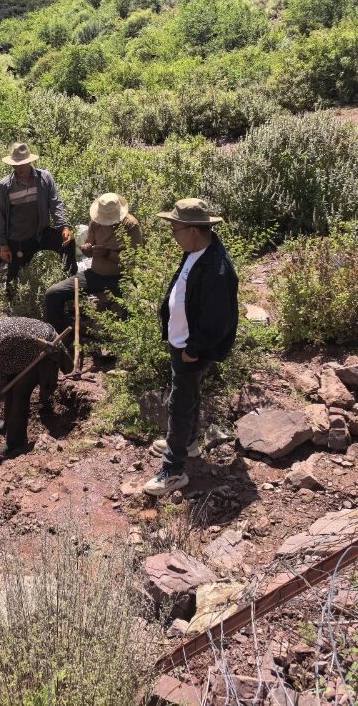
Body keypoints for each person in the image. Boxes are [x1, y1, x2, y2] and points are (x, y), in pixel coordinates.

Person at [144, 199, 239, 497]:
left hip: (191, 346)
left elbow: (217, 319)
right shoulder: (197, 252)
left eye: (175, 229)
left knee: (180, 403)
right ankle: (189, 442)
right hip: (182, 341)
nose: (173, 235)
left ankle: (173, 470)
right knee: (188, 394)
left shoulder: (217, 268)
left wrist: (194, 348)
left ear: (194, 231)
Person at [0, 315, 73, 458]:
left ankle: (16, 443)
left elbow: (23, 337)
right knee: (9, 386)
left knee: (20, 391)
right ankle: (8, 424)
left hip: (44, 350)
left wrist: (45, 344)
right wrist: (2, 384)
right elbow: (6, 362)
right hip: (28, 351)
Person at [44, 193, 143, 335]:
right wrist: (87, 249)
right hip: (95, 275)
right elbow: (89, 247)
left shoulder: (130, 225)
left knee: (131, 310)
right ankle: (60, 337)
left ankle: (122, 340)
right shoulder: (96, 222)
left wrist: (107, 253)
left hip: (121, 278)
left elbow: (133, 259)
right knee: (53, 293)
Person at [0, 142, 75, 293]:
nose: (18, 168)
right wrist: (3, 245)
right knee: (13, 280)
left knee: (68, 242)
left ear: (29, 161)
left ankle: (71, 288)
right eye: (15, 165)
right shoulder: (5, 186)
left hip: (41, 232)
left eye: (22, 164)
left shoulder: (44, 178)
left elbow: (55, 203)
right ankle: (11, 303)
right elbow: (0, 215)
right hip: (19, 239)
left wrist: (63, 226)